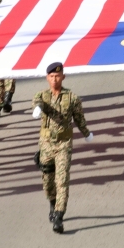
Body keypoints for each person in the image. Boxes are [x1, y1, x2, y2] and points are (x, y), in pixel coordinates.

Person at [32, 61, 92, 233]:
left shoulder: (72, 98)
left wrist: (86, 133)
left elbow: (79, 118)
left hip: (64, 144)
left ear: (63, 77)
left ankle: (59, 216)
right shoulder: (42, 96)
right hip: (46, 145)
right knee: (48, 181)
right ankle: (52, 202)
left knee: (62, 180)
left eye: (57, 76)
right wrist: (37, 108)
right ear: (47, 78)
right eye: (51, 76)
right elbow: (37, 101)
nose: (54, 79)